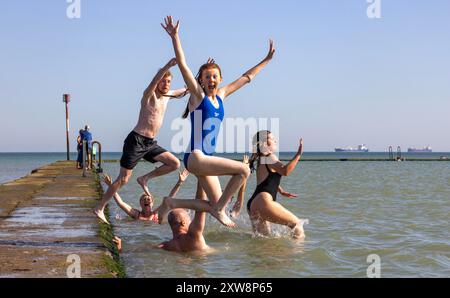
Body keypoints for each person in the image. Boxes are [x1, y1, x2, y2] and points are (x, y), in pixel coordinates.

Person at [160, 15, 275, 227]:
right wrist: (175, 37)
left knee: (216, 199)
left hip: (206, 158)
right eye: (206, 77)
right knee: (244, 170)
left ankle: (172, 201)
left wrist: (266, 60)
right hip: (195, 157)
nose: (211, 80)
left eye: (214, 76)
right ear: (200, 81)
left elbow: (246, 78)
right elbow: (183, 65)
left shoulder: (221, 96)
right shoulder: (197, 97)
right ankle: (219, 209)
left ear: (220, 79)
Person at [93, 58, 188, 224]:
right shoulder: (148, 95)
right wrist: (167, 66)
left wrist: (200, 79)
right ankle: (99, 207)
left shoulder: (168, 95)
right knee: (123, 179)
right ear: (158, 81)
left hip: (150, 144)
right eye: (163, 81)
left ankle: (144, 179)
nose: (166, 84)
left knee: (174, 163)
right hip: (136, 140)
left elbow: (186, 89)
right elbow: (153, 82)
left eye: (168, 81)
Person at [246, 130, 308, 239]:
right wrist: (298, 155)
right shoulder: (270, 157)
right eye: (272, 138)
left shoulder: (262, 159)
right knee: (297, 225)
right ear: (264, 143)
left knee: (264, 242)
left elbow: (265, 180)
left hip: (253, 203)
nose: (275, 141)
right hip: (263, 202)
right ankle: (298, 255)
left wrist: (280, 190)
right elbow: (285, 171)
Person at [101, 169, 189, 222]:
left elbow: (170, 198)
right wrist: (111, 186)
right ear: (140, 203)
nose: (146, 200)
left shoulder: (157, 213)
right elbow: (121, 203)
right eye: (144, 199)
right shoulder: (135, 214)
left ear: (152, 203)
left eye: (148, 199)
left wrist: (179, 182)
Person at [157, 186, 210, 252]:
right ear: (183, 223)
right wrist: (202, 182)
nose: (191, 221)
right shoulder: (193, 235)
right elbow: (200, 209)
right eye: (189, 218)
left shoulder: (166, 245)